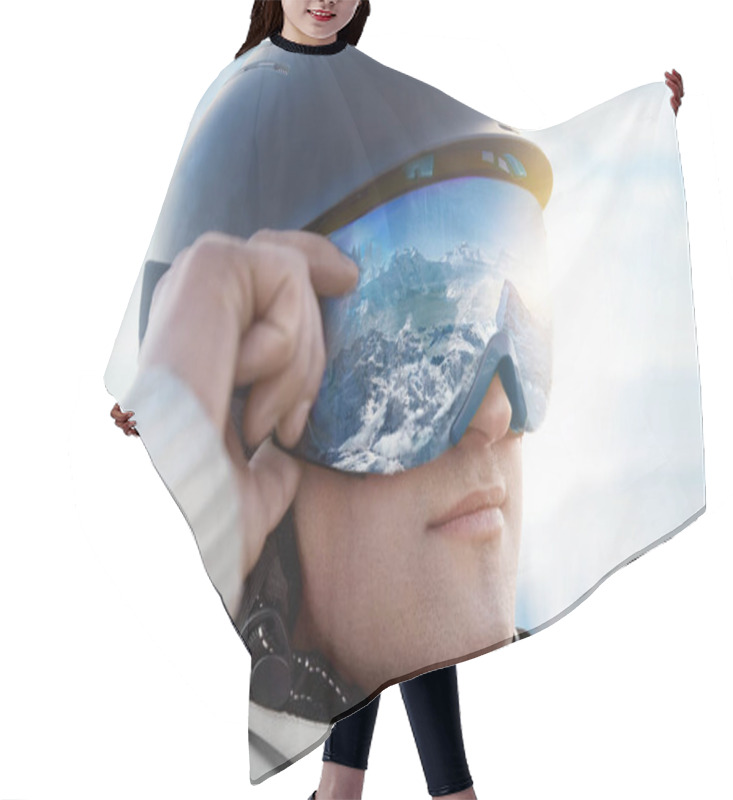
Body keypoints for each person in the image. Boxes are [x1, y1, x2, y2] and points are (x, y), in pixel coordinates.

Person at [108, 2, 687, 796]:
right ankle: (433, 791)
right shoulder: (244, 94)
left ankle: (352, 790)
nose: (490, 414)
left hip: (319, 379)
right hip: (302, 382)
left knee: (402, 597)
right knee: (399, 590)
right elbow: (182, 245)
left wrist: (638, 117)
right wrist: (162, 380)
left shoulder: (366, 85)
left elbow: (505, 146)